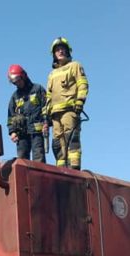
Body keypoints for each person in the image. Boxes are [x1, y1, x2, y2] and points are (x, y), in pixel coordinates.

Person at [44, 37, 88, 170]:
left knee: (72, 140)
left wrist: (80, 101)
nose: (60, 51)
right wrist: (46, 114)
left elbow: (82, 84)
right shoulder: (52, 74)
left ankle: (74, 170)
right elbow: (48, 95)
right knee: (58, 145)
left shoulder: (75, 66)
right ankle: (61, 171)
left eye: (63, 48)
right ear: (54, 54)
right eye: (57, 49)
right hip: (55, 114)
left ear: (68, 51)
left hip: (69, 110)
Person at [7, 64, 47, 163]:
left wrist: (47, 122)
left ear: (23, 76)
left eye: (18, 81)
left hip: (37, 133)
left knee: (38, 160)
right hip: (22, 135)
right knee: (22, 161)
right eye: (14, 82)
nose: (17, 84)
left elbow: (47, 108)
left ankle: (39, 178)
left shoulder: (38, 89)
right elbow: (10, 116)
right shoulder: (15, 96)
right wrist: (12, 132)